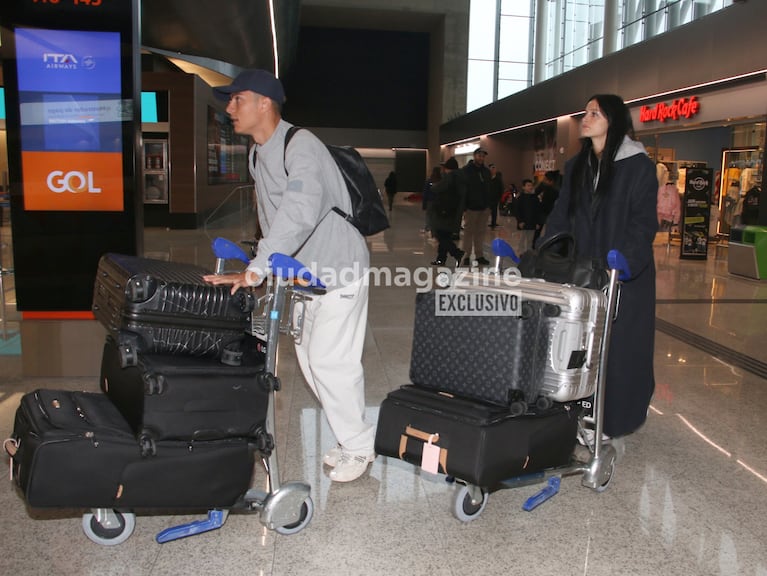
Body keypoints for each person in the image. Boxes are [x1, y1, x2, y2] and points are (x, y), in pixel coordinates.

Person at [203, 69, 375, 483]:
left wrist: (257, 268)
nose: (229, 108)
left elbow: (298, 210)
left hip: (339, 267)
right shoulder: (258, 152)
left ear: (264, 103)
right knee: (312, 362)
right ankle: (353, 435)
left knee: (330, 361)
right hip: (302, 274)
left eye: (236, 99)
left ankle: (359, 446)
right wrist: (263, 263)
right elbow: (272, 218)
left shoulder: (301, 146)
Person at [540, 93, 658, 444]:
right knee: (580, 343)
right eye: (586, 112)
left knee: (619, 348)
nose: (586, 118)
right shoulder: (577, 166)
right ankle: (577, 409)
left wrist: (626, 262)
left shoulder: (638, 166)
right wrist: (546, 253)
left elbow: (642, 222)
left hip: (621, 273)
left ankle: (614, 420)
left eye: (595, 113)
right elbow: (562, 214)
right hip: (582, 270)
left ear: (613, 120)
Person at [428, 157, 465, 266]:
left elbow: (437, 188)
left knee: (440, 235)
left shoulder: (451, 177)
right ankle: (441, 258)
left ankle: (457, 253)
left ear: (449, 168)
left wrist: (432, 185)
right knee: (445, 235)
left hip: (445, 211)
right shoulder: (460, 177)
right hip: (453, 211)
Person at [461, 147, 492, 266]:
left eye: (483, 156)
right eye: (479, 155)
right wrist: (464, 207)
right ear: (474, 156)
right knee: (469, 232)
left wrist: (489, 205)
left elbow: (489, 189)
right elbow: (463, 190)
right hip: (471, 207)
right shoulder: (466, 171)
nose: (481, 158)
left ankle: (479, 255)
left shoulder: (486, 171)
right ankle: (466, 256)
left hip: (484, 207)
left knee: (480, 232)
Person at [514, 178, 542, 254]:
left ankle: (529, 255)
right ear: (523, 187)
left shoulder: (535, 198)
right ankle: (521, 254)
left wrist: (537, 222)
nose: (530, 187)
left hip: (532, 222)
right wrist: (520, 221)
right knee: (522, 239)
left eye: (531, 185)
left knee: (530, 240)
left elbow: (538, 211)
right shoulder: (520, 198)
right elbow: (517, 211)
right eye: (528, 185)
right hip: (523, 223)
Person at [534, 170, 560, 243]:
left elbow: (536, 193)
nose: (543, 180)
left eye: (545, 179)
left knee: (539, 230)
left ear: (550, 181)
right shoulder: (555, 189)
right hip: (549, 212)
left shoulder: (550, 189)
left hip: (546, 212)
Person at [422, 166, 441, 233]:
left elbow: (425, 192)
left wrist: (424, 204)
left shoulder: (429, 180)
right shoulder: (441, 180)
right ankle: (434, 228)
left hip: (430, 201)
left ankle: (428, 227)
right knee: (435, 215)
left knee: (428, 214)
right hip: (438, 201)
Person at [488, 163, 505, 229]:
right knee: (485, 212)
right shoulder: (487, 178)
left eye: (494, 168)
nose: (493, 170)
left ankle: (493, 224)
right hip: (487, 198)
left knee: (494, 212)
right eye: (492, 168)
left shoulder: (498, 179)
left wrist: (499, 197)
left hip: (495, 198)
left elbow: (501, 188)